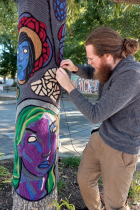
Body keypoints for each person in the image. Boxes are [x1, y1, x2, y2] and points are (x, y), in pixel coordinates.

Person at [56, 27, 140, 210]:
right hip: (102, 137)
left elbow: (95, 114)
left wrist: (69, 86)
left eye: (91, 59)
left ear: (108, 55)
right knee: (84, 180)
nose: (89, 62)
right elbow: (96, 73)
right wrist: (77, 69)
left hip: (121, 148)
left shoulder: (131, 76)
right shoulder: (112, 65)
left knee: (114, 204)